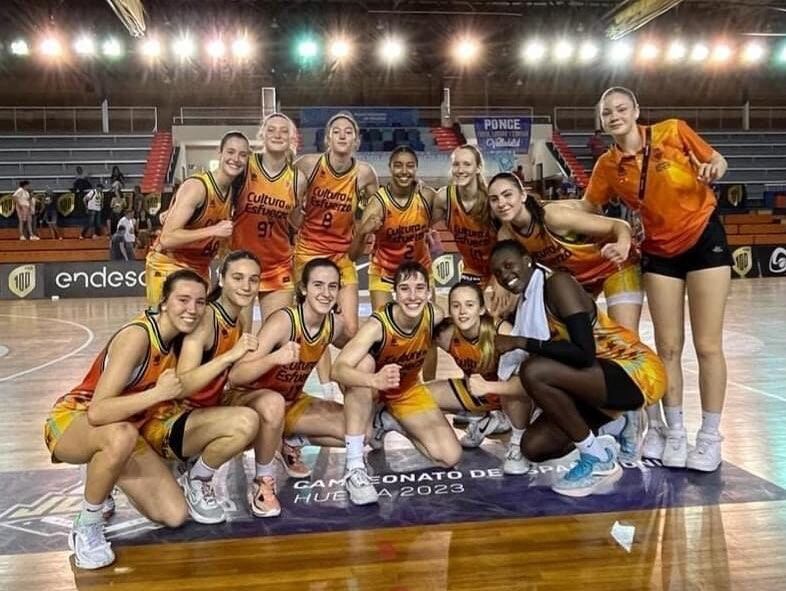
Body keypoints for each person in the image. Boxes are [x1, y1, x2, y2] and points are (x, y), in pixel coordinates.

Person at [581, 87, 731, 472]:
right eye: (607, 112)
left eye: (620, 109)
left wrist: (713, 168)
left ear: (635, 111)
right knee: (667, 347)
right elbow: (587, 208)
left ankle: (710, 437)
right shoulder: (607, 167)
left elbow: (718, 161)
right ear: (602, 120)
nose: (614, 116)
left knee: (707, 344)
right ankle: (675, 432)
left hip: (703, 240)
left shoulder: (672, 131)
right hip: (660, 254)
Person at [43, 270, 209, 570]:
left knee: (174, 515)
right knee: (119, 436)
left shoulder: (181, 342)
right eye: (183, 300)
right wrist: (156, 394)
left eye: (199, 302)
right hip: (75, 419)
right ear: (163, 301)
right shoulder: (138, 336)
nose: (192, 309)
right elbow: (97, 411)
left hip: (126, 428)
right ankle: (87, 523)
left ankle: (107, 469)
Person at [490, 240, 666, 497]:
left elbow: (584, 354)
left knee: (534, 370)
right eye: (498, 273)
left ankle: (595, 456)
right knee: (534, 447)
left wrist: (521, 342)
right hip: (595, 381)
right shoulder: (526, 301)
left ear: (527, 260)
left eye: (509, 265)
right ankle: (611, 429)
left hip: (633, 370)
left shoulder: (557, 284)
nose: (505, 275)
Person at [227, 258, 355, 517]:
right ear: (304, 289)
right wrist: (275, 358)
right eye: (318, 285)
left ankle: (287, 439)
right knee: (272, 402)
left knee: (356, 430)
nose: (326, 292)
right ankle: (263, 481)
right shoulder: (283, 322)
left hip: (290, 402)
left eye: (332, 286)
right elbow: (237, 375)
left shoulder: (335, 325)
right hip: (249, 400)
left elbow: (357, 347)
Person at [142, 253, 260, 525]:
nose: (246, 286)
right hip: (167, 418)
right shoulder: (207, 319)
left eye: (253, 280)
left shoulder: (239, 318)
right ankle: (198, 479)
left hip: (200, 412)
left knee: (268, 408)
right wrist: (230, 357)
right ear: (221, 279)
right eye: (238, 278)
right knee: (247, 421)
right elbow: (181, 386)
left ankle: (194, 459)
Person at [332, 261, 461, 505]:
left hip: (406, 391)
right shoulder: (377, 326)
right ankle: (355, 467)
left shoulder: (434, 315)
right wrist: (374, 380)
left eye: (419, 288)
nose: (413, 296)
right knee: (362, 364)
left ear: (429, 291)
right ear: (394, 293)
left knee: (449, 457)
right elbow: (338, 370)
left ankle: (389, 421)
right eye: (405, 289)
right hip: (371, 391)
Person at [487, 172, 642, 333]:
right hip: (579, 280)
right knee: (582, 337)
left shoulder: (553, 216)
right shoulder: (505, 235)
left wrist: (623, 244)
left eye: (507, 195)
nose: (501, 203)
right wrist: (498, 288)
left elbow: (619, 225)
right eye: (494, 199)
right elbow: (504, 272)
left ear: (523, 196)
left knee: (625, 338)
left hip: (613, 266)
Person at [293, 112, 379, 397]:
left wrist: (364, 225)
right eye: (336, 131)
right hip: (308, 253)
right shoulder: (308, 164)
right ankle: (327, 384)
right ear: (327, 138)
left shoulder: (365, 174)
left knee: (351, 330)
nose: (342, 136)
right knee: (314, 320)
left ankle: (348, 376)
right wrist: (296, 216)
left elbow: (373, 208)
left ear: (357, 139)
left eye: (348, 132)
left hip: (341, 256)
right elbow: (286, 192)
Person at [430, 281, 532, 474]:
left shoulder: (502, 332)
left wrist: (490, 388)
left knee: (512, 387)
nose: (462, 312)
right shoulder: (447, 334)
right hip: (481, 394)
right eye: (456, 305)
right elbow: (427, 340)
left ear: (481, 309)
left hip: (515, 397)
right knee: (422, 396)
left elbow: (527, 385)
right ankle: (485, 420)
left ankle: (517, 443)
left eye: (469, 305)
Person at [145, 131, 250, 307]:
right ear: (220, 153)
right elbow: (167, 238)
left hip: (200, 268)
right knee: (173, 329)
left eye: (242, 154)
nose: (236, 158)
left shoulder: (234, 191)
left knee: (202, 330)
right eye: (230, 152)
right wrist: (213, 230)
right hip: (169, 264)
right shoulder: (197, 187)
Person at [232, 113, 307, 322]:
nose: (277, 135)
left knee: (276, 336)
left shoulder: (297, 180)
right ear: (262, 135)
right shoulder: (245, 166)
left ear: (292, 139)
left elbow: (294, 221)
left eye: (284, 131)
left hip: (278, 265)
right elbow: (214, 190)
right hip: (242, 263)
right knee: (239, 336)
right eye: (271, 129)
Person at [350, 146, 435, 311]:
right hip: (384, 272)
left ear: (416, 168)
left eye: (410, 166)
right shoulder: (377, 204)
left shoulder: (427, 196)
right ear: (390, 168)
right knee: (384, 328)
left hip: (420, 269)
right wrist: (362, 232)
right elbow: (353, 256)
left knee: (429, 326)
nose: (404, 171)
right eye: (398, 165)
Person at [431, 145, 496, 287]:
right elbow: (422, 224)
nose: (460, 170)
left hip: (500, 270)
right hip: (472, 270)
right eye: (456, 164)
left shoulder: (491, 199)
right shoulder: (444, 198)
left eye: (467, 164)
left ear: (478, 168)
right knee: (464, 305)